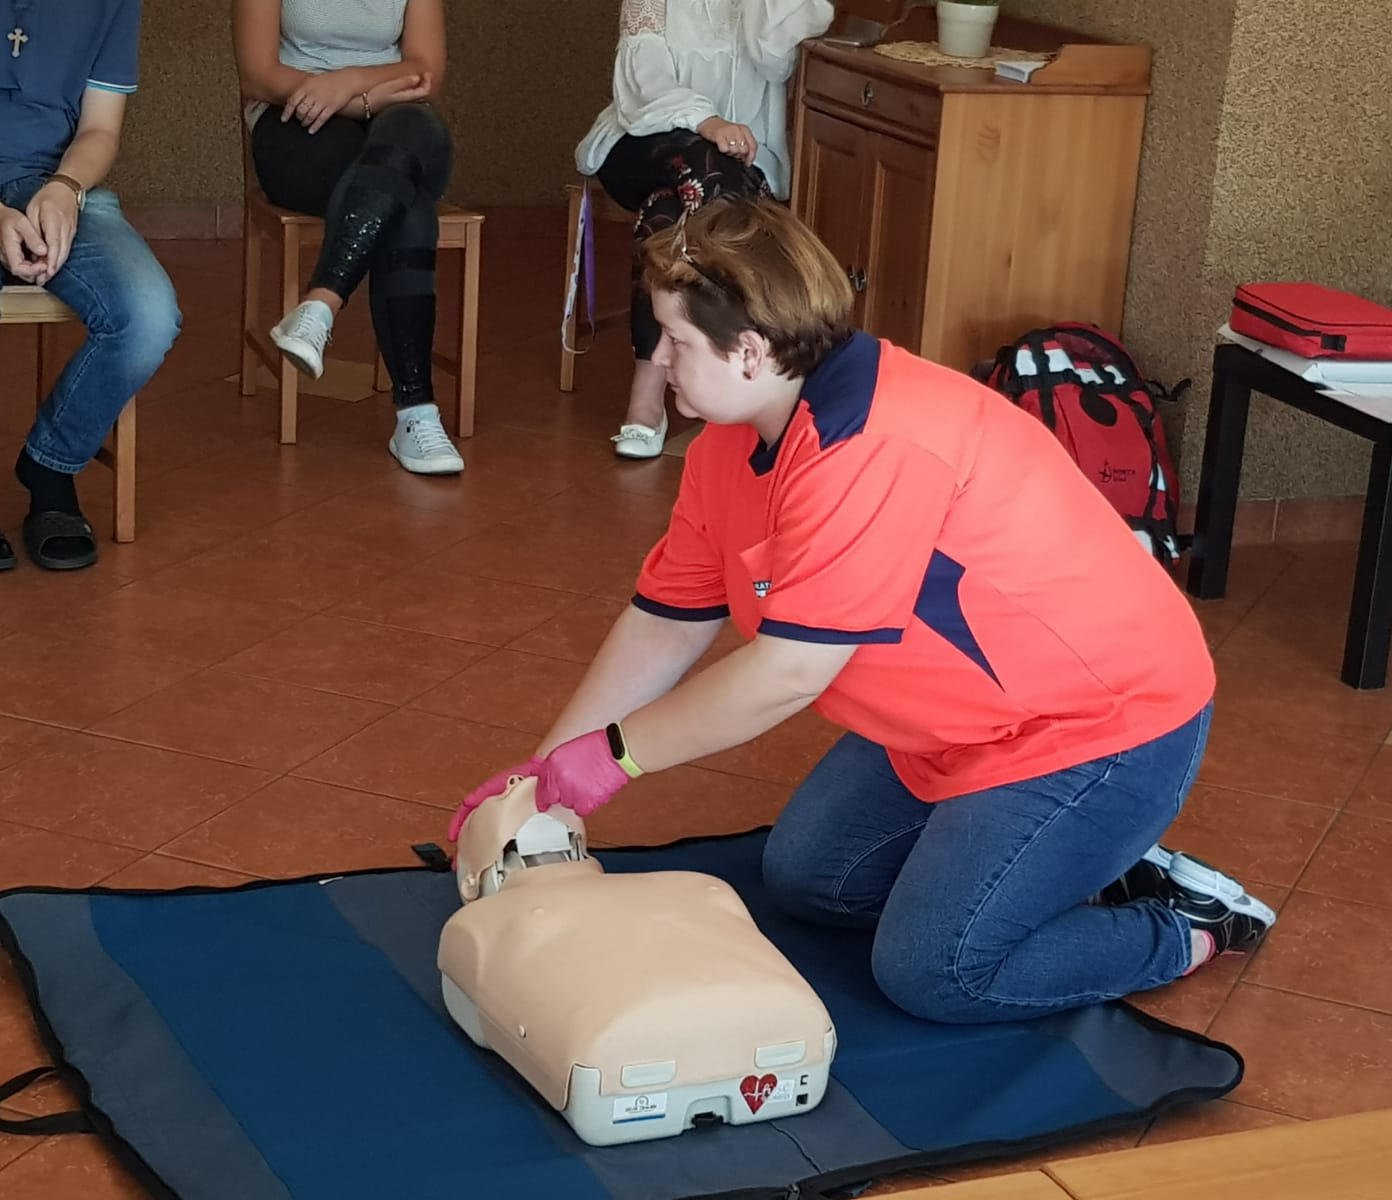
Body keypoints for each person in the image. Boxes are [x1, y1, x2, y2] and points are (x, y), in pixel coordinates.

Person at [448, 197, 1276, 1025]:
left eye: (675, 340)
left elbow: (789, 673)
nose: (658, 357)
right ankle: (1076, 862)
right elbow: (669, 618)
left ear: (750, 350)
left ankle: (1187, 926)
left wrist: (614, 759)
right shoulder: (732, 440)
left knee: (937, 972)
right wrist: (545, 772)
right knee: (811, 880)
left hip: (1098, 731)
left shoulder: (875, 442)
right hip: (949, 727)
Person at [574, 0, 833, 459]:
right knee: (710, 173)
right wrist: (707, 123)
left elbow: (774, 57)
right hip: (642, 142)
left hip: (736, 163)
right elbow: (644, 75)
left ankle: (649, 388)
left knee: (668, 211)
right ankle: (741, 368)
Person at [232, 0, 464, 475]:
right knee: (405, 203)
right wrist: (351, 97)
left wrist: (351, 83)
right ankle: (417, 413)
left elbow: (426, 72)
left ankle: (320, 305)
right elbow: (257, 75)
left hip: (397, 122)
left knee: (407, 143)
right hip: (297, 120)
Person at [0, 0, 181, 573]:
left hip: (50, 184)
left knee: (147, 314)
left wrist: (65, 188)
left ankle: (50, 466)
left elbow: (100, 128)